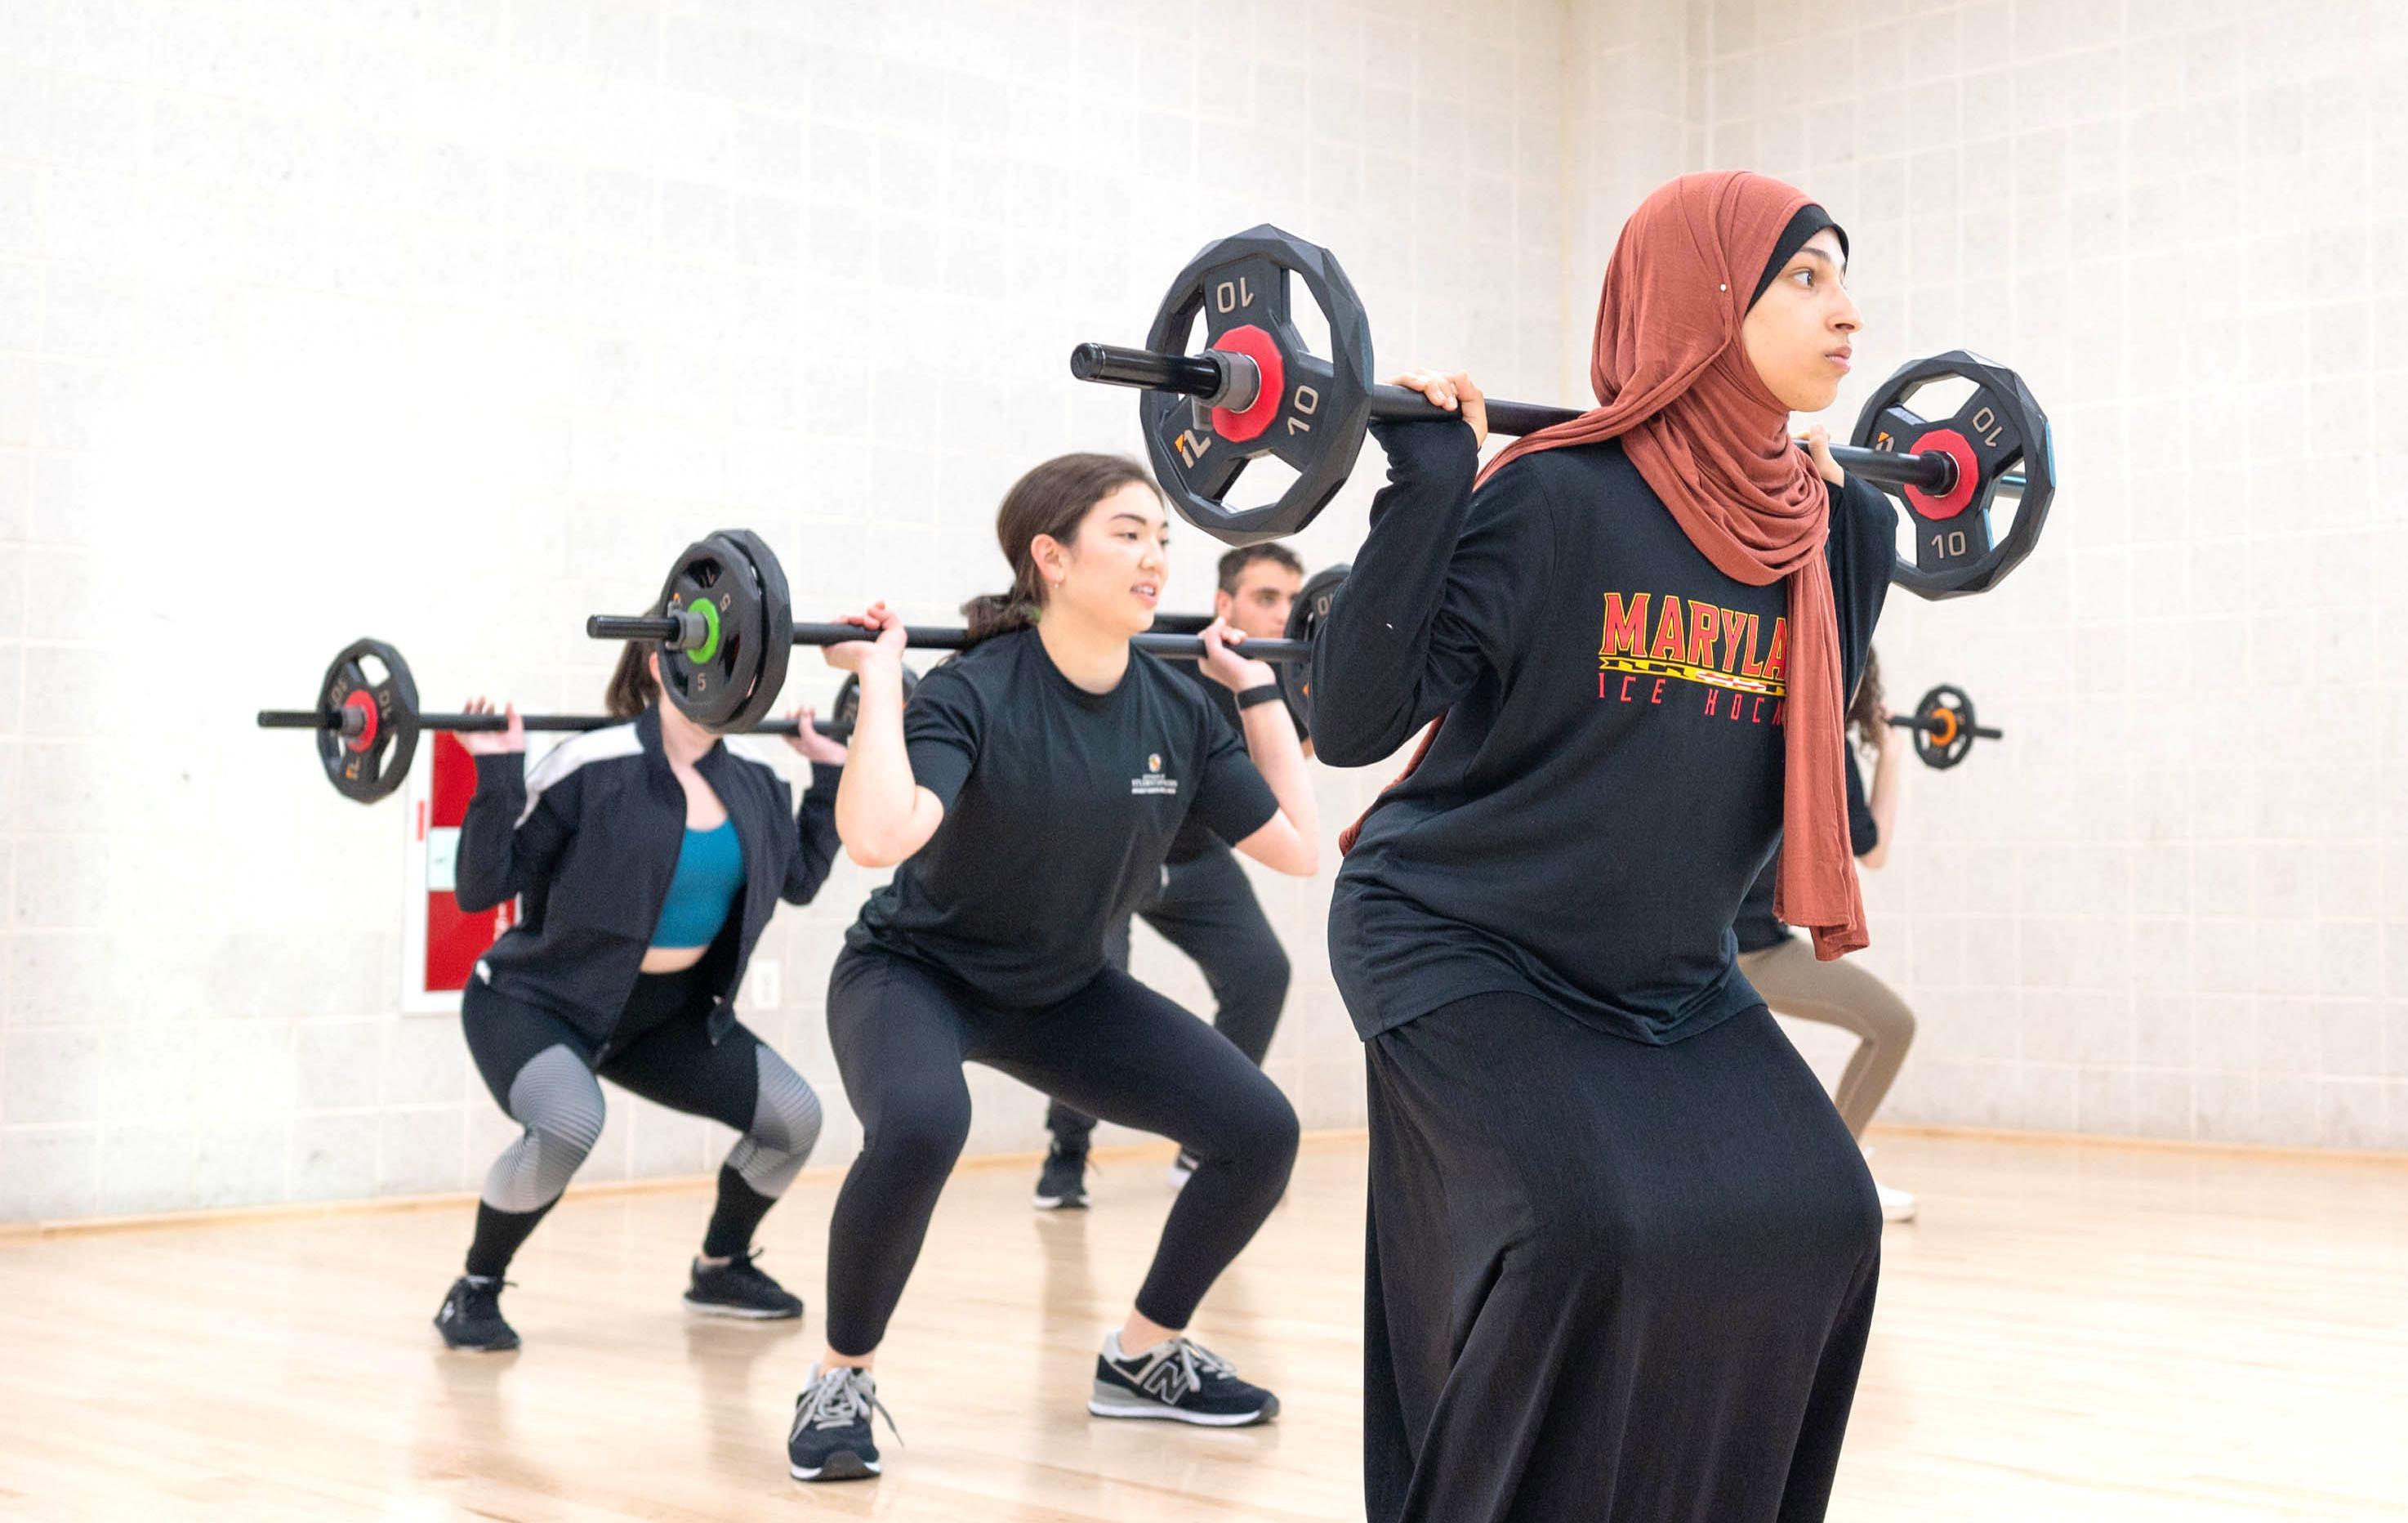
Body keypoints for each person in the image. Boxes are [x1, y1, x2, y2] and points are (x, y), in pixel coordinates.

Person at [1313, 172, 1895, 1521]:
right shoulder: (1555, 496)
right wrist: (1422, 491)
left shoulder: (1838, 526)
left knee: (1823, 1216)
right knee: (1581, 1232)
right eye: (1802, 277)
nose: (1847, 312)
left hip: (1669, 970)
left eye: (1843, 278)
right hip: (1460, 934)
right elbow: (1352, 719)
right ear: (1700, 296)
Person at [786, 453, 1318, 1482]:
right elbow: (875, 836)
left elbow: (1302, 846)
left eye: (1161, 536)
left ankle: (1142, 1353)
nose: (1155, 555)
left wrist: (1257, 691)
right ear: (1051, 558)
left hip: (1061, 989)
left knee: (1258, 1130)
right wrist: (885, 681)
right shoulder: (974, 690)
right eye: (1127, 533)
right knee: (922, 1123)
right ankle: (839, 1376)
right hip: (917, 973)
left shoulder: (1176, 708)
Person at [430, 635, 845, 1352]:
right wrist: (497, 769)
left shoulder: (754, 782)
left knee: (795, 1119)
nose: (734, 680)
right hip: (536, 1002)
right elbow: (480, 888)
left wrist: (830, 781)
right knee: (569, 1120)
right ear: (661, 663)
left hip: (660, 1018)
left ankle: (720, 1267)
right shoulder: (592, 764)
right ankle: (475, 1288)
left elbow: (802, 880)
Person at [1034, 542, 1307, 1208]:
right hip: (1112, 851)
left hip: (1191, 856)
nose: (1283, 616)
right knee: (1094, 996)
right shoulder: (1161, 659)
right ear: (1224, 605)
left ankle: (1207, 1137)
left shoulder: (1284, 681)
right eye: (1267, 598)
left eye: (1295, 602)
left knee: (1263, 974)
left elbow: (1285, 782)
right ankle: (1066, 1152)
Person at [1733, 646, 1918, 1222]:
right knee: (1893, 1025)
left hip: (1731, 943)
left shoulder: (1755, 724)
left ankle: (1833, 1176)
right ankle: (1840, 1179)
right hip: (1747, 954)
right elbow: (1877, 851)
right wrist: (1891, 753)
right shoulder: (1824, 741)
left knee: (1889, 1025)